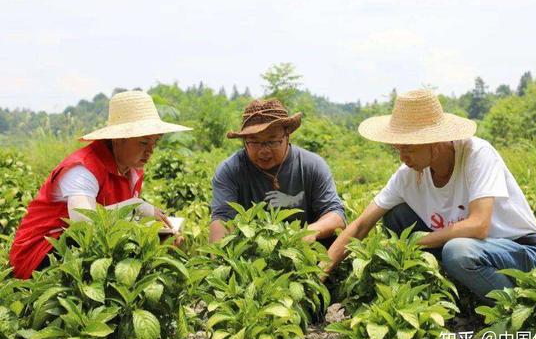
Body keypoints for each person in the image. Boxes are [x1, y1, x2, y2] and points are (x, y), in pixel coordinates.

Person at [323, 89, 536, 303]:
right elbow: (361, 225)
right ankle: (458, 292)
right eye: (397, 149)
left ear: (434, 142)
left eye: (408, 148)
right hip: (472, 251)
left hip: (519, 252)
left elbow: (479, 225)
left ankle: (518, 306)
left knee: (457, 252)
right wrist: (319, 273)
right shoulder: (408, 175)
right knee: (396, 215)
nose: (402, 157)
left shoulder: (476, 154)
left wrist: (414, 242)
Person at [10, 90, 192, 279]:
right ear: (118, 139)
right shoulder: (84, 167)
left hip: (82, 254)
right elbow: (82, 223)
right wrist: (136, 207)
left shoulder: (132, 169)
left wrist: (159, 235)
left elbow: (118, 222)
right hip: (39, 256)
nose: (150, 151)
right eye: (143, 142)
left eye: (155, 142)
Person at [209, 98, 346, 247]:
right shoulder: (230, 171)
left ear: (287, 136)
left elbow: (336, 215)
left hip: (309, 257)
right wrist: (218, 261)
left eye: (272, 141)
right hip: (252, 261)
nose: (264, 150)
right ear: (244, 141)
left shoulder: (312, 165)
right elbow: (222, 219)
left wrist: (309, 232)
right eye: (254, 142)